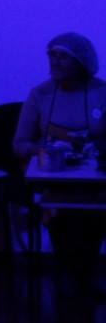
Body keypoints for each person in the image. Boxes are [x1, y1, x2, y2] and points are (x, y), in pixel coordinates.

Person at [13, 32, 106, 295]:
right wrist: (43, 150)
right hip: (53, 176)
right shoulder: (40, 94)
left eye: (63, 56)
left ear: (81, 60)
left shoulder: (102, 92)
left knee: (92, 211)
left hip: (93, 179)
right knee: (62, 210)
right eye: (51, 56)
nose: (55, 62)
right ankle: (72, 278)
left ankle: (82, 276)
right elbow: (19, 143)